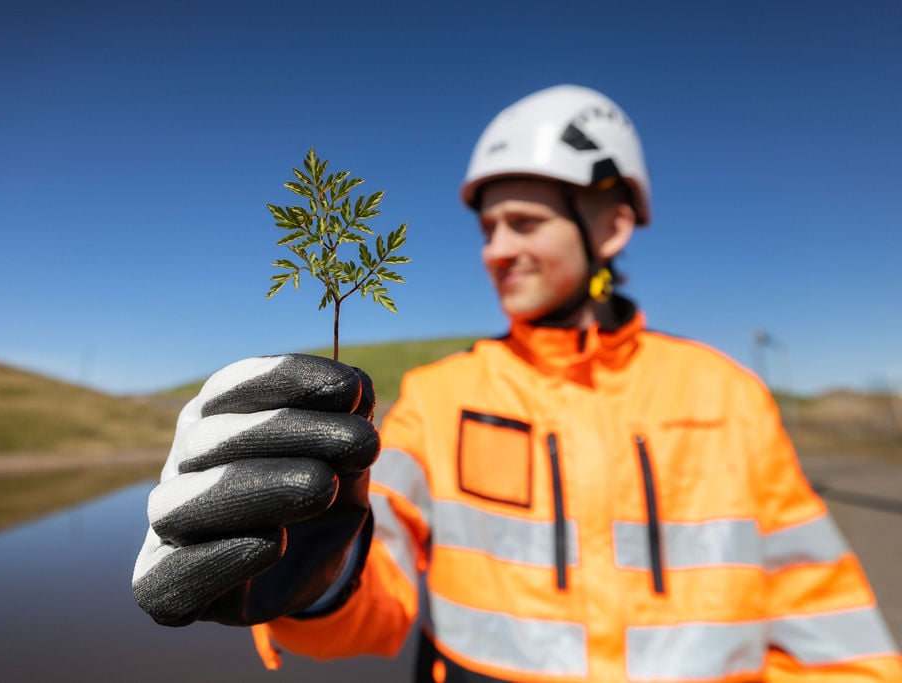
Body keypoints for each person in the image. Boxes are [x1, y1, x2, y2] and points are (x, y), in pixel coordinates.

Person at [133, 85, 902, 681]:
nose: (496, 250)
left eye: (526, 222)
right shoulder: (440, 398)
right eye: (488, 228)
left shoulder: (726, 395)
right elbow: (382, 589)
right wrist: (311, 577)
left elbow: (824, 616)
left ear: (611, 223)